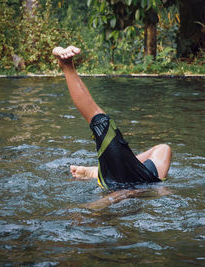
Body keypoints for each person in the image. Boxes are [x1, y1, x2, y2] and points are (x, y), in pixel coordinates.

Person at [52, 46, 172, 194]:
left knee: (100, 121)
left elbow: (100, 205)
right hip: (148, 180)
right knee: (164, 149)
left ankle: (67, 66)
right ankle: (98, 171)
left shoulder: (121, 190)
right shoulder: (150, 178)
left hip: (125, 185)